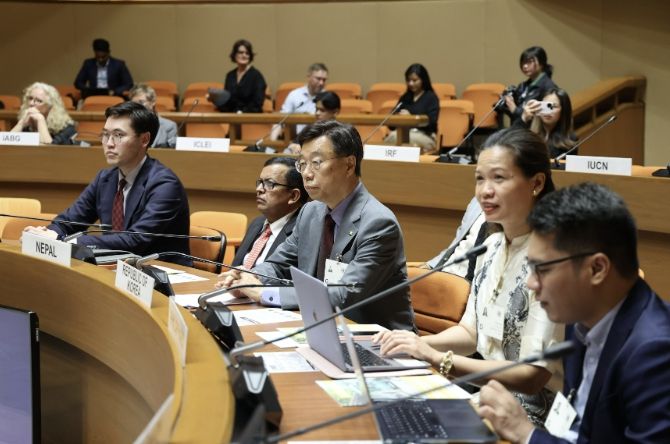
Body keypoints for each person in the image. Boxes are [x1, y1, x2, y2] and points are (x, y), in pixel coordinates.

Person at [374, 128, 563, 425]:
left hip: (536, 418)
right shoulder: (492, 245)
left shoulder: (555, 257)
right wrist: (414, 343)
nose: (485, 191)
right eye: (479, 178)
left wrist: (437, 358)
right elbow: (470, 334)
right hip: (490, 399)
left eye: (499, 178)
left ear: (536, 183)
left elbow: (531, 376)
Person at [478, 182, 670, 443]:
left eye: (542, 269)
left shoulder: (655, 352)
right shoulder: (581, 320)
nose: (530, 283)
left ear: (597, 269)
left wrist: (527, 434)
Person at [217, 120, 415, 331]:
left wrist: (265, 293)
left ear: (349, 165)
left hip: (377, 338)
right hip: (322, 327)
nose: (306, 173)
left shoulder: (378, 224)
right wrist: (248, 278)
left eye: (317, 162)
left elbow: (343, 294)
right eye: (302, 164)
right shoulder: (310, 212)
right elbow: (279, 264)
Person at [23, 101, 191, 264]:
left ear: (144, 139)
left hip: (164, 273)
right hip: (118, 268)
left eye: (118, 135)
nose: (109, 144)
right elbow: (68, 221)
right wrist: (45, 235)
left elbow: (135, 241)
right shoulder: (105, 179)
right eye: (105, 135)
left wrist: (62, 240)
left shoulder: (165, 185)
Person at [232, 157, 308, 268]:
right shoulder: (257, 223)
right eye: (260, 182)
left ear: (293, 196)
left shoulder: (301, 232)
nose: (259, 189)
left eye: (269, 183)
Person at [421, 197, 486, 281]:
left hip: (471, 281)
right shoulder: (477, 201)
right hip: (446, 270)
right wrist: (430, 265)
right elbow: (457, 242)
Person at [384, 63, 440, 155]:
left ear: (423, 80)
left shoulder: (431, 97)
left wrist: (410, 118)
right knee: (391, 139)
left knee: (395, 138)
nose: (411, 83)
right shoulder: (405, 97)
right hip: (402, 133)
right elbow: (391, 124)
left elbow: (432, 123)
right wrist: (397, 117)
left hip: (425, 135)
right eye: (408, 80)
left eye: (414, 80)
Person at [270, 63, 329, 140]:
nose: (321, 83)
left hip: (318, 139)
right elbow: (281, 119)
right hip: (294, 138)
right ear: (309, 77)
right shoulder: (294, 95)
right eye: (318, 79)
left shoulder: (328, 97)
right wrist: (272, 143)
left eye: (324, 80)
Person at [502, 46, 557, 126]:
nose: (525, 66)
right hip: (519, 128)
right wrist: (507, 103)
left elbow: (549, 112)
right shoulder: (523, 86)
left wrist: (515, 110)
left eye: (529, 62)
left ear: (541, 63)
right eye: (523, 62)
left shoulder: (549, 87)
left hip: (534, 131)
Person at [517, 88, 577, 159]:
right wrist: (523, 119)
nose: (548, 111)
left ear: (563, 111)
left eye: (554, 106)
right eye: (545, 105)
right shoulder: (526, 131)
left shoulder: (570, 140)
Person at [11, 82, 77, 145]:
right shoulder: (26, 121)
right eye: (30, 98)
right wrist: (21, 123)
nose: (31, 103)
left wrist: (40, 120)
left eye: (39, 101)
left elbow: (49, 151)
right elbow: (7, 146)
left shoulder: (66, 128)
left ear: (50, 106)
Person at [212, 39, 266, 113]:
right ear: (235, 55)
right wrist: (215, 99)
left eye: (247, 53)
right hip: (232, 116)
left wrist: (241, 112)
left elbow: (257, 104)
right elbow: (227, 102)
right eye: (240, 52)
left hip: (250, 116)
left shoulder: (257, 76)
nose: (244, 55)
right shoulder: (230, 76)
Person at [129, 84, 178, 148]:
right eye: (134, 103)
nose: (137, 106)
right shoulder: (128, 125)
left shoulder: (169, 126)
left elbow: (172, 152)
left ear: (152, 102)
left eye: (141, 102)